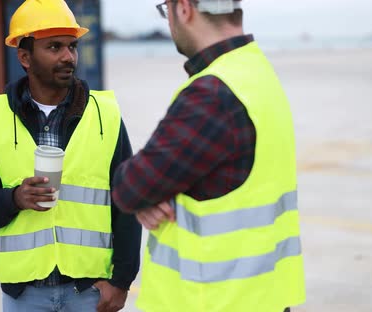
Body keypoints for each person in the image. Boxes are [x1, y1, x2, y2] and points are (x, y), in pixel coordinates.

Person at [111, 0, 305, 311]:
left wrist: (148, 196)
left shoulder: (213, 94)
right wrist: (151, 194)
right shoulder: (256, 71)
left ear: (185, 8)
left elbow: (130, 187)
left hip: (213, 301)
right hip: (263, 297)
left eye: (166, 10)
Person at [0, 1, 141, 311]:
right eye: (54, 47)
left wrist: (122, 281)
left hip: (89, 292)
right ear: (24, 57)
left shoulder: (105, 115)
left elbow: (127, 200)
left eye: (72, 46)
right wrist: (14, 199)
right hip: (24, 296)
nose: (68, 57)